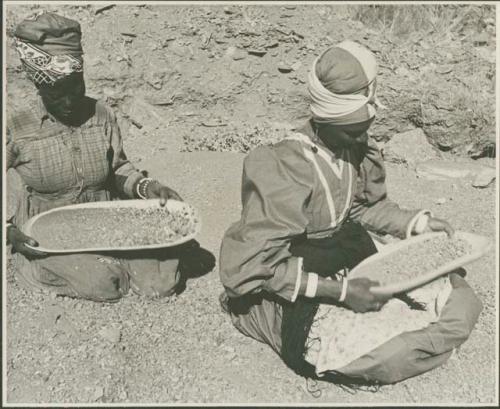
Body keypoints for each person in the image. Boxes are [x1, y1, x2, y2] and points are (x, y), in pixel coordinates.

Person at [219, 41, 482, 385]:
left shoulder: (355, 143)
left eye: (364, 127)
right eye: (351, 129)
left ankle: (418, 335)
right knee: (392, 353)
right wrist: (341, 293)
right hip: (292, 269)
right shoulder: (284, 165)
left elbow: (361, 208)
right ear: (324, 119)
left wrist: (416, 223)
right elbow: (248, 267)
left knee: (462, 300)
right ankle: (263, 318)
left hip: (344, 250)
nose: (362, 136)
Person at [6, 11, 189, 302]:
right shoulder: (16, 125)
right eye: (56, 93)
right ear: (39, 86)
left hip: (104, 218)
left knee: (161, 282)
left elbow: (119, 169)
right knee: (103, 283)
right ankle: (33, 265)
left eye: (76, 88)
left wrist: (148, 188)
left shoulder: (101, 114)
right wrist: (9, 230)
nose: (69, 102)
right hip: (49, 227)